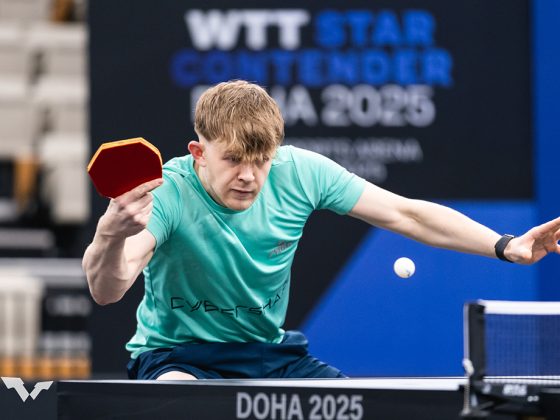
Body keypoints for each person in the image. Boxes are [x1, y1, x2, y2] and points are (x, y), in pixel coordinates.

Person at [82, 80, 560, 381]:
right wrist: (109, 234)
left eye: (261, 160)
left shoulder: (301, 173)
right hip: (177, 357)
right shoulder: (168, 191)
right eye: (233, 160)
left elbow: (406, 214)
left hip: (267, 353)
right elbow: (108, 289)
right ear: (199, 152)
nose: (248, 176)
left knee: (349, 406)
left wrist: (506, 245)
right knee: (182, 406)